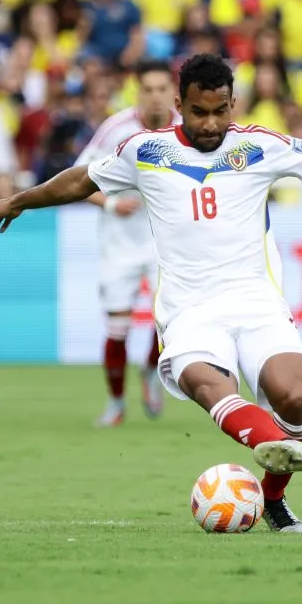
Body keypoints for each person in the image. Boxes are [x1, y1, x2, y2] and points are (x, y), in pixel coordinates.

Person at [0, 53, 302, 533]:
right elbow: (80, 181)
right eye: (198, 112)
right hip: (188, 311)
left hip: (256, 302)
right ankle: (275, 445)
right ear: (180, 103)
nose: (210, 124)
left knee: (293, 396)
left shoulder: (259, 145)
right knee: (210, 386)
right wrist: (18, 201)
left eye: (219, 111)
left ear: (232, 104)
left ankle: (273, 496)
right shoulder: (146, 151)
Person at [74, 59, 181, 428]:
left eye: (162, 89)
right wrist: (113, 203)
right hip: (118, 243)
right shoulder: (115, 129)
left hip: (166, 242)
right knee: (117, 328)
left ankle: (151, 370)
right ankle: (116, 403)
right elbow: (78, 181)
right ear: (138, 92)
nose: (155, 97)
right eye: (148, 89)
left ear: (173, 93)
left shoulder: (186, 130)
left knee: (170, 320)